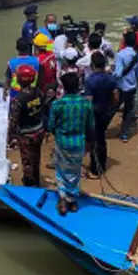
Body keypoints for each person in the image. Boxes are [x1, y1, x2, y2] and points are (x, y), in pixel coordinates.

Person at [48, 72, 94, 215]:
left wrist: (59, 134)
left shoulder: (57, 104)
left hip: (62, 141)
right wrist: (90, 142)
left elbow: (50, 126)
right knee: (75, 171)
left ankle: (62, 198)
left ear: (64, 87)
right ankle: (72, 200)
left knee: (61, 170)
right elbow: (90, 125)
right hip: (79, 141)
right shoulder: (85, 103)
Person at [7, 65, 48, 187]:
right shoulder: (39, 92)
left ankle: (30, 186)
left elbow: (14, 120)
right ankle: (37, 181)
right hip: (39, 130)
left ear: (20, 80)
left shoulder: (18, 99)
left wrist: (10, 136)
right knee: (36, 158)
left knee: (27, 162)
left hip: (26, 135)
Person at [84, 52, 118, 177]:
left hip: (94, 114)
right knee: (101, 139)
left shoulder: (90, 81)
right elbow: (116, 96)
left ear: (92, 65)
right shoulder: (111, 78)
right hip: (105, 113)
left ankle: (95, 170)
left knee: (95, 141)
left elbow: (88, 101)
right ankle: (100, 165)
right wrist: (110, 107)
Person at [115, 31, 138, 142]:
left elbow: (117, 73)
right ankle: (124, 134)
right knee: (128, 110)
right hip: (131, 87)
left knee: (112, 108)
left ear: (125, 41)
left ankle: (101, 128)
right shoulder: (137, 56)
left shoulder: (120, 54)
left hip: (120, 87)